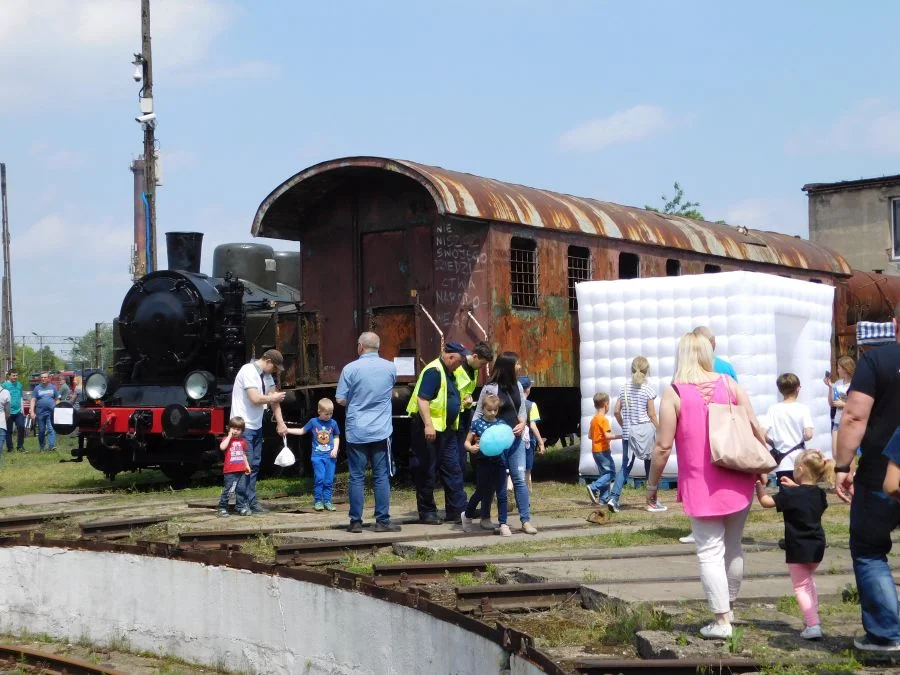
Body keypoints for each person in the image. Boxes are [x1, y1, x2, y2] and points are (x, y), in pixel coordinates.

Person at [646, 332, 767, 639]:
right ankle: (730, 607)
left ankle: (722, 620)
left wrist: (652, 487)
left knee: (710, 551)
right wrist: (763, 470)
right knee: (733, 545)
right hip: (739, 476)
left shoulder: (673, 393)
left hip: (701, 483)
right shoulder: (730, 384)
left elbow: (662, 448)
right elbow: (755, 427)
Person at [834, 304, 900, 653]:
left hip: (880, 474)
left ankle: (887, 635)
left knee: (871, 549)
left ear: (894, 324)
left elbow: (855, 417)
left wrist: (842, 466)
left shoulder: (877, 361)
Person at [755, 449, 833, 640]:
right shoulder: (820, 494)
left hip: (798, 547)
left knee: (801, 587)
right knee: (809, 583)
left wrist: (760, 489)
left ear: (799, 469)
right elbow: (804, 496)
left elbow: (766, 502)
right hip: (817, 546)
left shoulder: (789, 496)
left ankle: (813, 625)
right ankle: (812, 619)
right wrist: (795, 487)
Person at [336, 332, 401, 533]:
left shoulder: (350, 369)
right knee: (381, 476)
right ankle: (382, 520)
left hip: (357, 429)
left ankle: (356, 521)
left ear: (360, 347)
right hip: (381, 429)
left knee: (357, 476)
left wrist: (354, 401)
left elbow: (340, 399)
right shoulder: (390, 368)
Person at [680, 326, 739, 544]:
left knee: (702, 481)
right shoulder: (726, 369)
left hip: (699, 437)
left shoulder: (686, 371)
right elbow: (739, 402)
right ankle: (723, 525)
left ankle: (703, 529)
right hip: (725, 434)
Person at [472, 352, 537, 534]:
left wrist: (523, 423)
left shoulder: (517, 385)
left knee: (519, 479)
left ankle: (525, 520)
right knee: (492, 481)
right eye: (517, 364)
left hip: (515, 440)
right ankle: (485, 517)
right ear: (508, 366)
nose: (519, 367)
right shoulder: (490, 388)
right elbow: (478, 413)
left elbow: (523, 410)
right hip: (496, 443)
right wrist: (475, 436)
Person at [407, 342, 470, 525]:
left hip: (447, 430)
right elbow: (422, 398)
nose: (461, 363)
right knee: (427, 469)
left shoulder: (451, 372)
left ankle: (457, 511)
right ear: (451, 357)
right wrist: (428, 425)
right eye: (460, 360)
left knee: (453, 469)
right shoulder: (434, 371)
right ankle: (427, 512)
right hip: (430, 431)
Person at [230, 349, 287, 515]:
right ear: (267, 360)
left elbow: (274, 399)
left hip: (256, 426)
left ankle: (251, 501)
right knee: (244, 466)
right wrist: (273, 398)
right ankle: (241, 504)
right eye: (275, 368)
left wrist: (281, 423)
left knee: (254, 464)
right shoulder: (248, 371)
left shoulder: (266, 376)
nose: (275, 372)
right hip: (243, 426)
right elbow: (255, 398)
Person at [607, 356, 661, 513]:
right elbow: (651, 414)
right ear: (647, 370)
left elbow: (616, 411)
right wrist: (660, 430)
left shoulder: (623, 388)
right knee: (650, 466)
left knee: (625, 466)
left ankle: (614, 497)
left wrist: (624, 425)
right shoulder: (648, 389)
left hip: (628, 433)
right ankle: (652, 500)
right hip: (644, 431)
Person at [461, 394, 511, 535]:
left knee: (502, 494)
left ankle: (503, 524)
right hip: (483, 462)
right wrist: (471, 448)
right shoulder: (477, 424)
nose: (492, 413)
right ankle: (467, 515)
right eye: (489, 410)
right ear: (483, 408)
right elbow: (466, 442)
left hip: (500, 462)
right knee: (481, 492)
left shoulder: (501, 424)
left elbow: (506, 440)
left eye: (495, 410)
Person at [286, 398, 340, 512]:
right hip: (317, 456)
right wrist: (287, 430)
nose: (329, 416)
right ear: (319, 411)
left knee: (329, 480)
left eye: (331, 413)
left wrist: (335, 449)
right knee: (320, 478)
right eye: (326, 414)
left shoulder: (333, 423)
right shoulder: (313, 422)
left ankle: (328, 501)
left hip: (330, 457)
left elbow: (336, 437)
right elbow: (301, 431)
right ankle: (318, 501)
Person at [764, 373, 814, 485]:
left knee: (785, 494)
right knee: (801, 491)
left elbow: (762, 433)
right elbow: (809, 434)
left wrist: (773, 443)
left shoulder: (773, 409)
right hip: (800, 459)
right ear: (798, 389)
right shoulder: (803, 408)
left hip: (782, 461)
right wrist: (801, 437)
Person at [455, 342, 494, 475]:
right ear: (475, 356)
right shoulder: (457, 367)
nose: (482, 367)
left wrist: (468, 398)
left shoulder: (475, 369)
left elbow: (467, 390)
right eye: (482, 363)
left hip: (465, 410)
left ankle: (463, 471)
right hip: (455, 413)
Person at [586, 392, 621, 505]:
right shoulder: (603, 420)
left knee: (604, 475)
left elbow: (590, 436)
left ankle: (603, 499)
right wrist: (622, 435)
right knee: (610, 474)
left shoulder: (594, 419)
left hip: (595, 450)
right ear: (606, 405)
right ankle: (593, 487)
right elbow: (608, 436)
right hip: (603, 450)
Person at [217, 417, 251, 517]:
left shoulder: (242, 442)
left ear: (242, 431)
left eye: (239, 429)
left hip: (241, 470)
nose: (236, 431)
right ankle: (223, 507)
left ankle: (240, 507)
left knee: (241, 490)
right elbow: (222, 447)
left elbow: (243, 454)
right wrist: (229, 436)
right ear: (229, 428)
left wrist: (247, 466)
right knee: (229, 490)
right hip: (230, 471)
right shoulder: (226, 440)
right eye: (234, 428)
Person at [519, 376, 545, 492]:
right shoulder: (531, 405)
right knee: (527, 468)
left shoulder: (513, 403)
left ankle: (511, 487)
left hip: (515, 438)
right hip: (528, 440)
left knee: (513, 466)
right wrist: (541, 443)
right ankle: (527, 490)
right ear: (528, 389)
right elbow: (533, 426)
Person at [824, 356, 855, 451]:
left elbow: (859, 405)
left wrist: (844, 404)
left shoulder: (855, 383)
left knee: (848, 452)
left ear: (845, 369)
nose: (837, 370)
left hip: (850, 421)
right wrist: (830, 387)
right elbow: (831, 403)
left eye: (839, 368)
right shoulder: (838, 383)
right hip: (837, 420)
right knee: (835, 451)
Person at [30, 372, 60, 451]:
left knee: (51, 429)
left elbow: (57, 399)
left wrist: (57, 409)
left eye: (45, 377)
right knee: (42, 430)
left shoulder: (53, 388)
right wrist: (32, 411)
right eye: (42, 377)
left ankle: (51, 446)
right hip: (40, 413)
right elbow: (33, 400)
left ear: (48, 378)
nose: (43, 379)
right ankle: (42, 447)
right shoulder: (37, 388)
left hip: (51, 412)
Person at [2, 369, 25, 452]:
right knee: (9, 430)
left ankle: (20, 446)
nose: (15, 377)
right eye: (13, 375)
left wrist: (22, 409)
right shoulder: (4, 385)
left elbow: (21, 397)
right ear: (9, 376)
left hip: (18, 411)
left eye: (16, 375)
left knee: (21, 427)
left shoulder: (19, 385)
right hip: (8, 412)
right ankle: (10, 448)